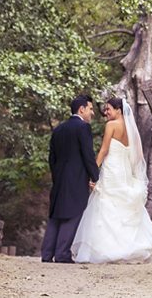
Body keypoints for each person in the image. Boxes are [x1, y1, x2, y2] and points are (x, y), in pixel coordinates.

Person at [71, 97, 152, 263]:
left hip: (112, 170)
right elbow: (139, 155)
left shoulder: (111, 125)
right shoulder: (130, 128)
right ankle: (128, 248)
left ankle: (107, 249)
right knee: (121, 206)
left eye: (109, 109)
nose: (106, 112)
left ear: (119, 109)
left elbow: (104, 151)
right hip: (124, 171)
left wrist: (92, 171)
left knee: (106, 204)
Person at [41, 94, 100, 263]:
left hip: (59, 179)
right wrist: (95, 176)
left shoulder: (59, 129)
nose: (92, 113)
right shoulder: (83, 128)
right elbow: (88, 155)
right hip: (76, 179)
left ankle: (46, 254)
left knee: (56, 215)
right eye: (90, 109)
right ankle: (62, 254)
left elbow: (52, 157)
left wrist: (57, 175)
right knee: (73, 213)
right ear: (81, 109)